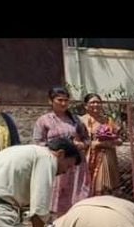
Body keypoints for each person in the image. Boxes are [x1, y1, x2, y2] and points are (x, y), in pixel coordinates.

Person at [33, 87, 91, 215]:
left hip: (76, 165)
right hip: (56, 164)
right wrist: (53, 149)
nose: (63, 103)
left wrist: (81, 144)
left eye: (66, 100)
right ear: (51, 101)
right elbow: (38, 142)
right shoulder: (44, 121)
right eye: (60, 100)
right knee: (58, 195)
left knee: (77, 194)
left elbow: (87, 139)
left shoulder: (76, 120)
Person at [80, 93, 122, 196]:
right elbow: (78, 140)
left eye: (98, 102)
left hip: (107, 156)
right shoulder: (81, 121)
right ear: (86, 106)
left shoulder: (108, 120)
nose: (96, 105)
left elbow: (119, 139)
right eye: (92, 102)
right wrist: (96, 143)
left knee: (106, 186)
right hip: (89, 156)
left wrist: (114, 141)